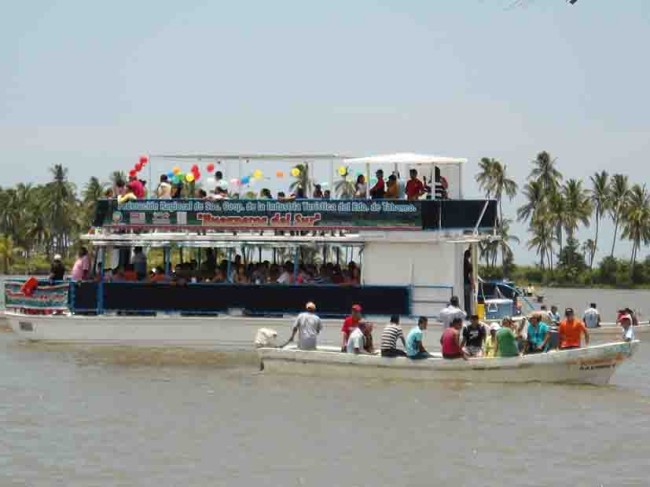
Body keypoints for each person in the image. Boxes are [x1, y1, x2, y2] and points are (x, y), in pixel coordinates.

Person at [463, 249, 473, 315]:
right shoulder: (469, 264)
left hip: (463, 282)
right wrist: (472, 283)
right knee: (467, 300)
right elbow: (470, 275)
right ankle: (468, 314)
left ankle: (466, 313)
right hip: (467, 283)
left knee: (465, 299)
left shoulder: (462, 262)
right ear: (469, 256)